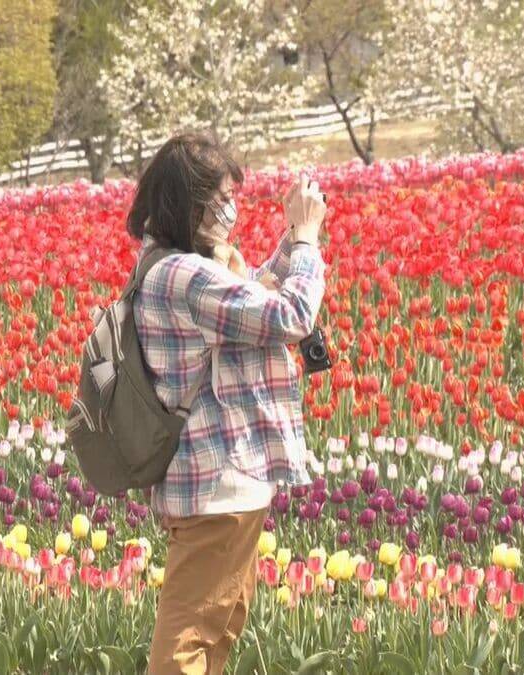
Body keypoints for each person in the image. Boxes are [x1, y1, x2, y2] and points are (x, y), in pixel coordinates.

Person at [124, 132, 327, 675]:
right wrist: (307, 241)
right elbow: (290, 316)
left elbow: (252, 293)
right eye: (222, 198)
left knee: (216, 629)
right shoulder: (185, 276)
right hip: (216, 483)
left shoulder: (168, 264)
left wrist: (289, 241)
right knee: (189, 639)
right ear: (189, 203)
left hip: (218, 483)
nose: (232, 210)